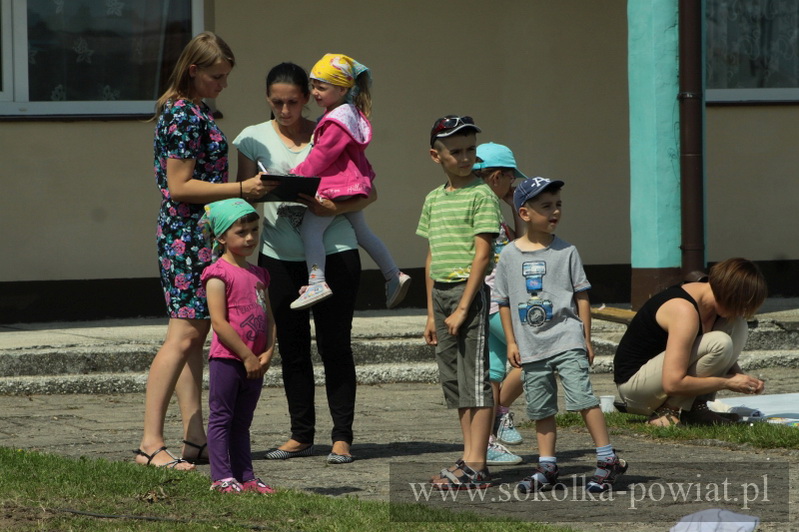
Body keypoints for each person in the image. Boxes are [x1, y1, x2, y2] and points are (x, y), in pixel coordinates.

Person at [135, 32, 270, 469]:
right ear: (193, 70)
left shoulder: (193, 110)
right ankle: (150, 443)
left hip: (199, 232)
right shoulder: (182, 114)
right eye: (217, 76)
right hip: (186, 234)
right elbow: (179, 185)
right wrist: (241, 189)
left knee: (194, 339)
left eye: (227, 76)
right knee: (183, 336)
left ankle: (195, 439)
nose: (223, 84)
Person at [234, 62, 368, 464]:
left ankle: (342, 437)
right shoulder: (250, 138)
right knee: (291, 347)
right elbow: (244, 197)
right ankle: (301, 435)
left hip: (335, 252)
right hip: (279, 256)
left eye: (293, 102)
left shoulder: (331, 129)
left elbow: (367, 193)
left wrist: (331, 206)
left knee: (335, 345)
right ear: (267, 99)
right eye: (277, 102)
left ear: (308, 98)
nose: (286, 110)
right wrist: (258, 189)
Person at [494, 177, 628, 494]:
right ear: (524, 213)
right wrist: (512, 341)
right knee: (541, 409)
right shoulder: (510, 256)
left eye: (558, 205)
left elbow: (581, 295)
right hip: (530, 347)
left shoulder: (567, 251)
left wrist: (585, 336)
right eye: (546, 206)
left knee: (583, 398)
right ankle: (547, 467)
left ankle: (607, 459)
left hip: (567, 339)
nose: (555, 212)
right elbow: (503, 302)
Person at [288, 53, 410, 311]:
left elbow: (322, 156)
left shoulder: (336, 121)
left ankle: (317, 282)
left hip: (337, 187)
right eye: (313, 86)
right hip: (352, 185)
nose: (315, 92)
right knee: (363, 232)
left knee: (311, 229)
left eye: (322, 87)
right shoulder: (349, 114)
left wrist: (297, 174)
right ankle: (393, 274)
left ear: (342, 88)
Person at [417, 115, 501, 490]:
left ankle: (477, 464)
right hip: (443, 296)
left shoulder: (482, 194)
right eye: (456, 151)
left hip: (471, 295)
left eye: (470, 150)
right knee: (456, 383)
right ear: (437, 156)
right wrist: (433, 313)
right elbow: (432, 257)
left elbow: (482, 256)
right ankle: (468, 457)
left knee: (477, 382)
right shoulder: (433, 198)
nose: (465, 158)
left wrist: (465, 306)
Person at [614, 258, 767, 427]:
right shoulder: (683, 310)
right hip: (636, 390)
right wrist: (727, 382)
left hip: (660, 382)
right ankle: (668, 411)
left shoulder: (714, 308)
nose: (743, 311)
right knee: (719, 342)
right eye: (742, 305)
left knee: (738, 325)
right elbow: (672, 383)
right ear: (730, 296)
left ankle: (695, 409)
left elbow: (711, 357)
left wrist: (741, 378)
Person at [200, 199, 276, 494]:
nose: (250, 238)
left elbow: (269, 318)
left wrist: (268, 351)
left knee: (243, 422)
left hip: (255, 361)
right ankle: (221, 476)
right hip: (229, 360)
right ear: (221, 237)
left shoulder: (260, 275)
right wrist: (245, 355)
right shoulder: (217, 275)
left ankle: (247, 475)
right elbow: (219, 323)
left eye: (254, 231)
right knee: (222, 417)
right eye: (241, 232)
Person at [472, 142, 527, 465]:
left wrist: (512, 206)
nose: (514, 185)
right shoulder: (482, 209)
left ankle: (490, 437)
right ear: (496, 177)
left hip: (499, 299)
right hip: (492, 301)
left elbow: (521, 248)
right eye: (510, 178)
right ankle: (500, 415)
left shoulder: (493, 208)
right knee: (534, 355)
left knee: (494, 370)